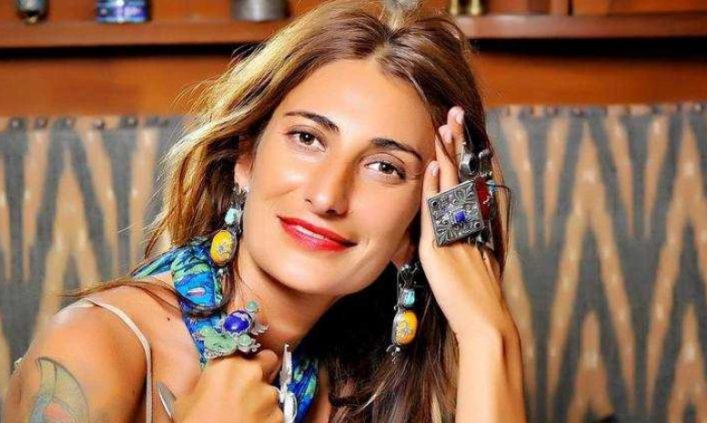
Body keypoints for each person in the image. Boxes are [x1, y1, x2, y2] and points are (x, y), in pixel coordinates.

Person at [2, 0, 526, 421]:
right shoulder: (96, 347)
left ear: (419, 221)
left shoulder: (357, 382)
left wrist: (488, 335)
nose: (328, 196)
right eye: (307, 138)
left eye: (384, 167)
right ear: (246, 157)